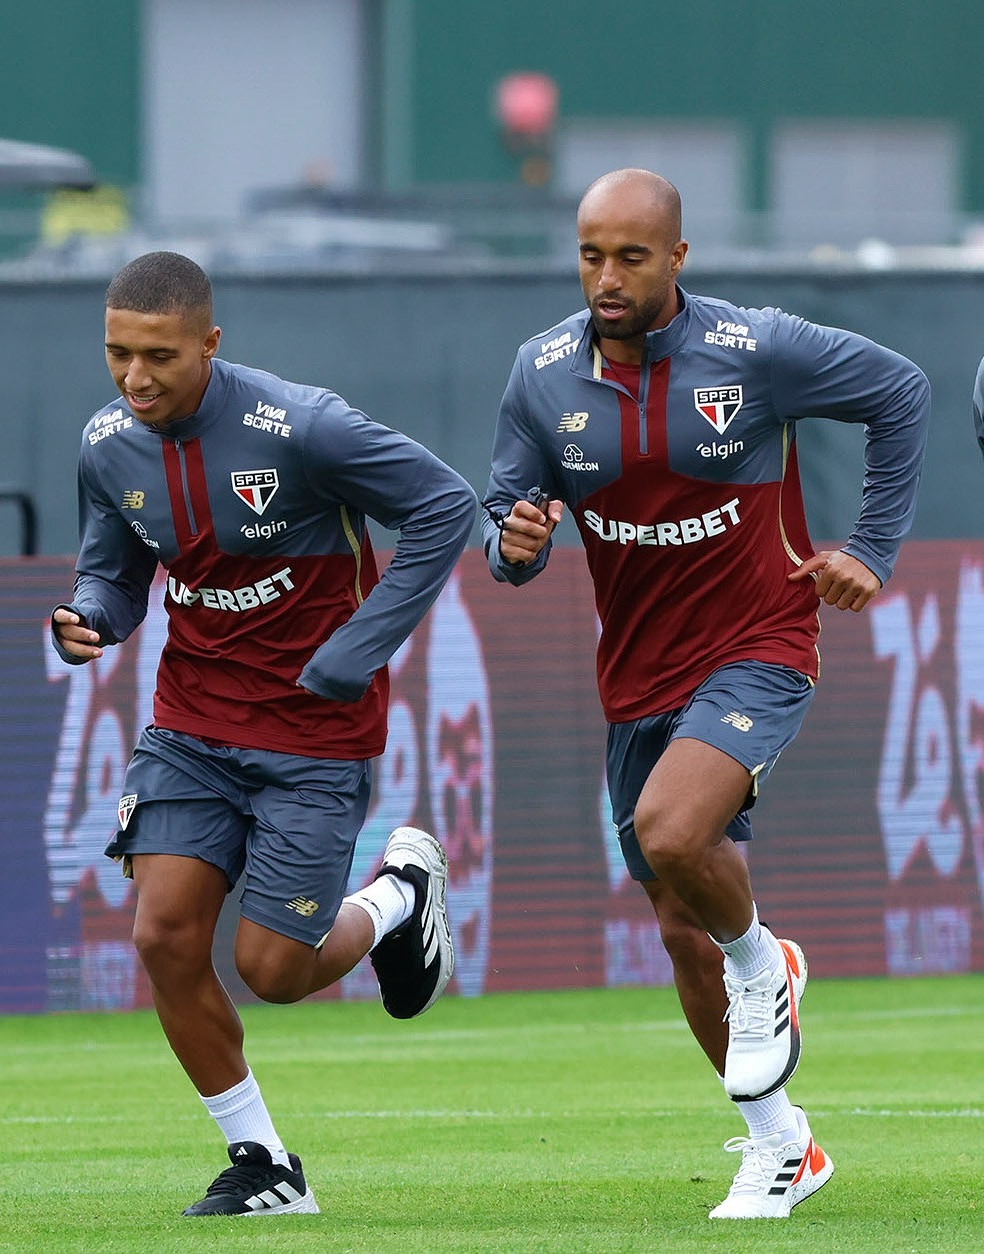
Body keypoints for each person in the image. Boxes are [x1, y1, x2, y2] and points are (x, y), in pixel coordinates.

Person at [481, 169, 930, 1220]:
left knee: (673, 834)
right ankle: (779, 1144)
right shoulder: (539, 373)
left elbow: (899, 392)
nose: (605, 276)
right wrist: (513, 539)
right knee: (677, 925)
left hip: (758, 642)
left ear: (677, 259)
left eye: (630, 256)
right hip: (635, 674)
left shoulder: (754, 350)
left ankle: (762, 960)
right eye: (590, 254)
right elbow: (505, 513)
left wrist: (868, 547)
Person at [51, 251, 477, 1217]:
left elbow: (445, 506)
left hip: (313, 738)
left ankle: (398, 895)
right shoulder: (108, 442)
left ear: (210, 343)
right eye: (117, 354)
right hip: (191, 726)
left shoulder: (304, 426)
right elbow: (114, 574)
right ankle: (265, 1166)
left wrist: (360, 647)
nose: (134, 378)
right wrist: (89, 616)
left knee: (273, 972)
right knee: (162, 935)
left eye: (158, 355)